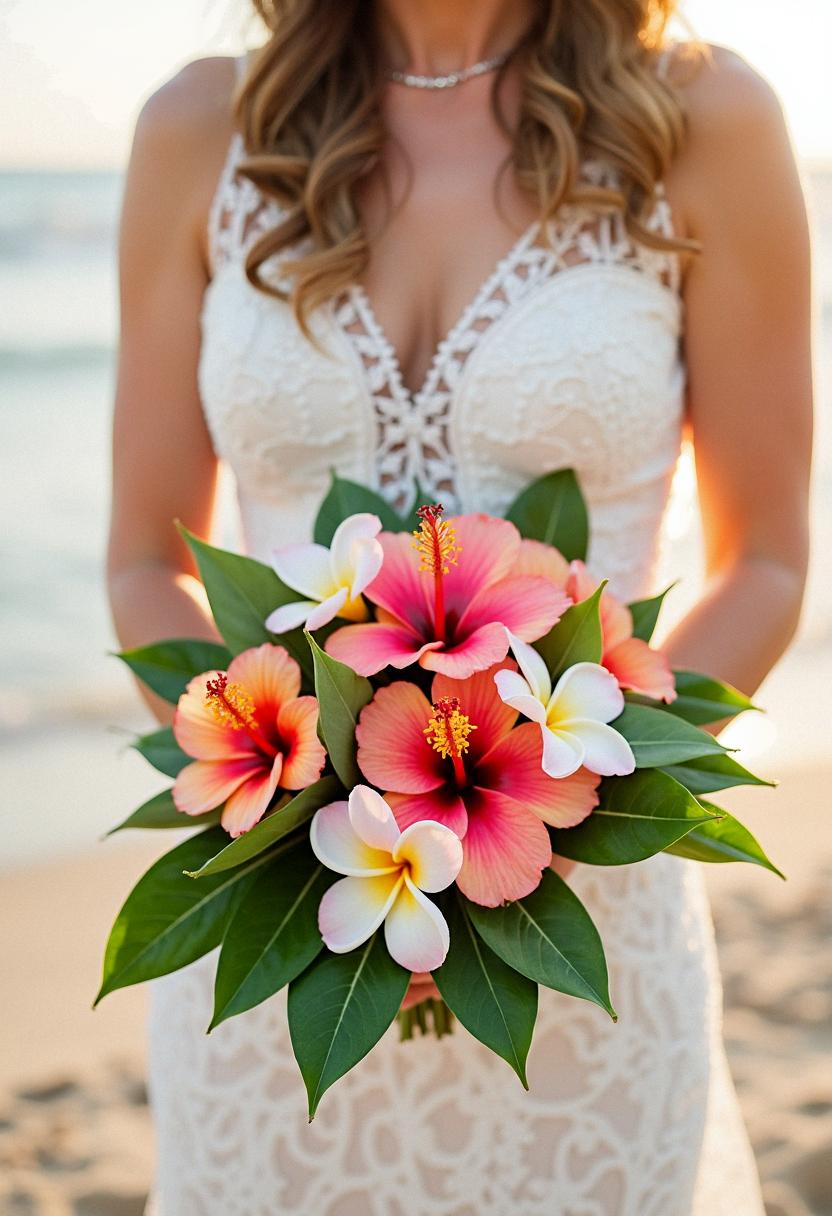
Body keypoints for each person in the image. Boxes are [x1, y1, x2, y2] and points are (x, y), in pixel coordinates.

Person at [107, 1, 813, 1212]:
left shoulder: (703, 118)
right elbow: (142, 562)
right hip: (296, 914)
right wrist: (290, 815)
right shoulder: (202, 128)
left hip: (582, 920)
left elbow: (768, 563)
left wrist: (540, 839)